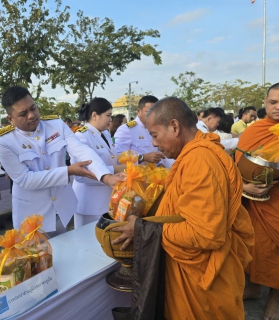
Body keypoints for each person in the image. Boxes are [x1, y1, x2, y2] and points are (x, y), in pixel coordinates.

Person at [113, 97, 254, 319]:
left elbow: (206, 234)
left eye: (155, 135)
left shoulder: (200, 160)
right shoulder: (192, 154)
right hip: (189, 273)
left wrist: (141, 229)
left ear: (175, 127)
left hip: (204, 283)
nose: (153, 144)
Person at [0, 86, 124, 235]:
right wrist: (68, 171)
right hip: (31, 217)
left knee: (64, 253)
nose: (31, 115)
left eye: (33, 108)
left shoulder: (55, 125)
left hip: (61, 209)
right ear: (10, 119)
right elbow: (25, 179)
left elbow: (82, 150)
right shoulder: (4, 140)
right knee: (36, 257)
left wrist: (105, 176)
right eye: (23, 114)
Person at [236, 83, 279, 319]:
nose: (278, 107)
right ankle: (252, 287)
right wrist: (245, 185)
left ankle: (275, 296)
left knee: (275, 248)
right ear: (265, 102)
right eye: (273, 102)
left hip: (277, 199)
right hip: (253, 198)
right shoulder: (255, 130)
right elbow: (237, 163)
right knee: (252, 244)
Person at [71, 98, 125, 228]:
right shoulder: (81, 136)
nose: (110, 120)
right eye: (108, 116)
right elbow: (81, 174)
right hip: (89, 204)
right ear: (94, 115)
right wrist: (115, 169)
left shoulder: (105, 134)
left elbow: (111, 157)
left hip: (106, 201)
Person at [114, 95, 173, 168]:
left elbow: (159, 151)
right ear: (139, 111)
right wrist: (143, 157)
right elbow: (119, 157)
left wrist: (161, 163)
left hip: (155, 175)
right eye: (148, 112)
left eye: (156, 113)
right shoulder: (126, 129)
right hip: (136, 176)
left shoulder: (157, 128)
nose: (153, 116)